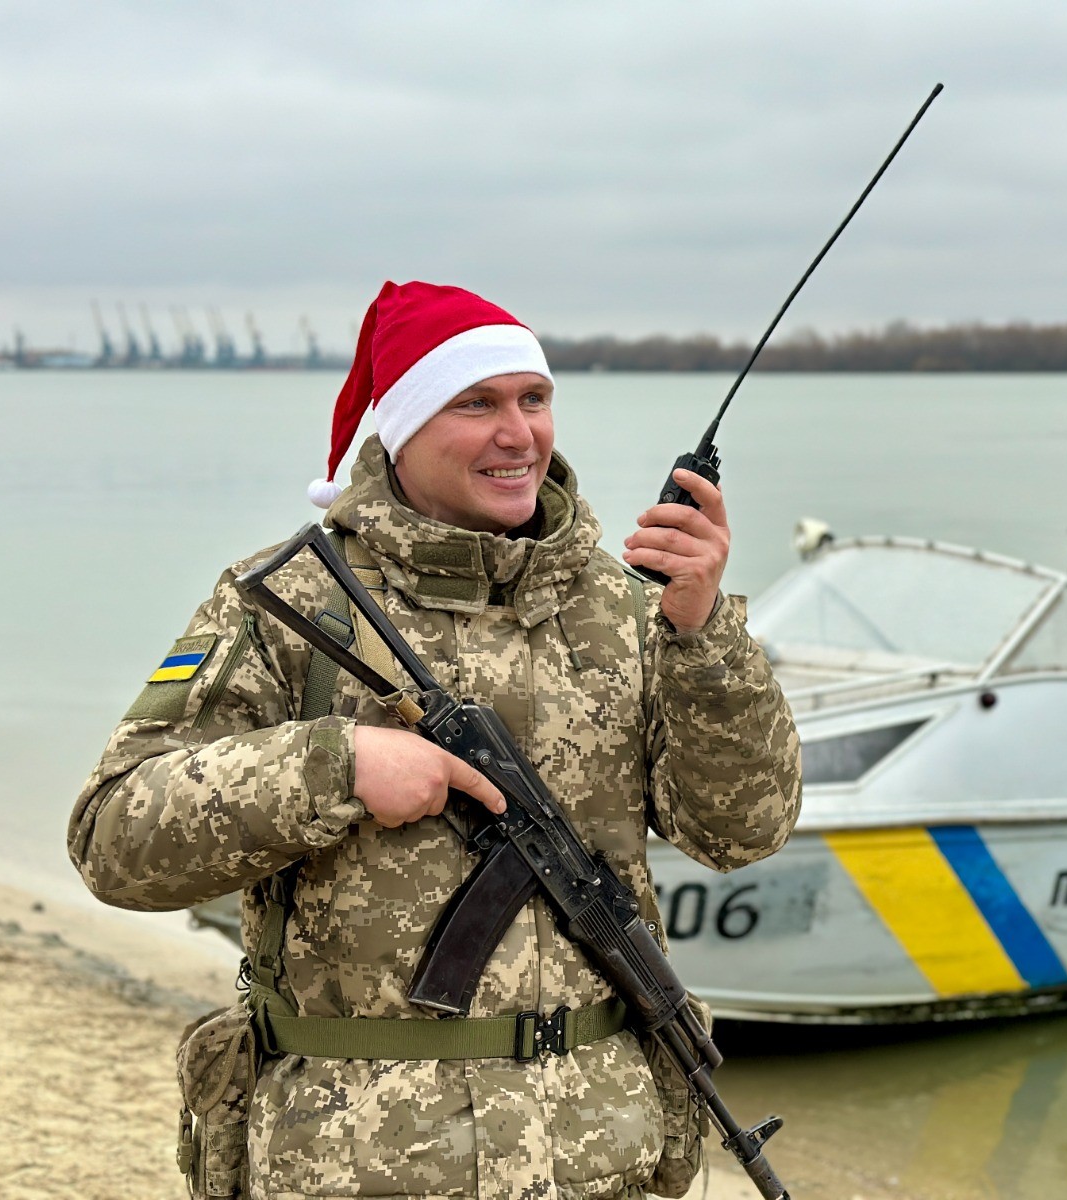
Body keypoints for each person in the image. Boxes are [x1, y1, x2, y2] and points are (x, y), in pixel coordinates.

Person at [67, 281, 803, 1200]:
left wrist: (704, 640)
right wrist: (335, 767)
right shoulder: (295, 605)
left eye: (533, 400)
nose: (518, 434)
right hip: (359, 1165)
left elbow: (742, 834)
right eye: (476, 403)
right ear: (402, 429)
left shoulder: (626, 609)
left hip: (599, 1158)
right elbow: (113, 839)